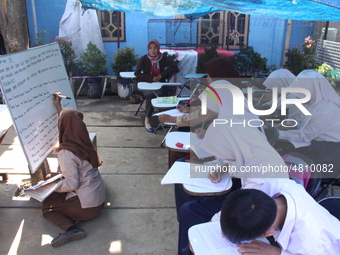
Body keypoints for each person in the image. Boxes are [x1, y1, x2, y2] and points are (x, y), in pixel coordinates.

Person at [176, 62, 288, 254]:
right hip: (251, 199)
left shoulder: (261, 178)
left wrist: (214, 223)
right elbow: (237, 155)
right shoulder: (244, 135)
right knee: (189, 197)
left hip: (254, 211)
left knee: (190, 209)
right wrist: (221, 166)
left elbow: (246, 209)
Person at [42, 93, 105, 247]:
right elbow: (67, 121)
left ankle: (72, 228)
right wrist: (58, 107)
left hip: (89, 207)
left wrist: (51, 187)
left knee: (48, 206)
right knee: (58, 182)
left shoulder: (66, 152)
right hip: (99, 197)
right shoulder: (85, 141)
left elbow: (72, 185)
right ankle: (74, 215)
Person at [220, 179, 340, 255]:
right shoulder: (272, 183)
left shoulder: (314, 244)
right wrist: (229, 227)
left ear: (269, 232)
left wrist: (277, 253)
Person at [277, 70, 340, 176]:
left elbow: (304, 135)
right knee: (281, 157)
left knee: (287, 166)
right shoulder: (313, 104)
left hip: (327, 152)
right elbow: (300, 125)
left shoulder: (326, 111)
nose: (298, 97)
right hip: (314, 145)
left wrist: (277, 133)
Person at [134, 39, 179, 132]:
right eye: (150, 48)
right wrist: (151, 78)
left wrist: (161, 75)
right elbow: (137, 73)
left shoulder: (163, 58)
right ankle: (147, 120)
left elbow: (174, 66)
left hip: (159, 84)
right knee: (150, 95)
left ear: (158, 49)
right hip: (146, 84)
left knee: (158, 94)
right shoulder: (144, 59)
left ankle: (162, 119)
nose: (152, 50)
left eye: (155, 48)